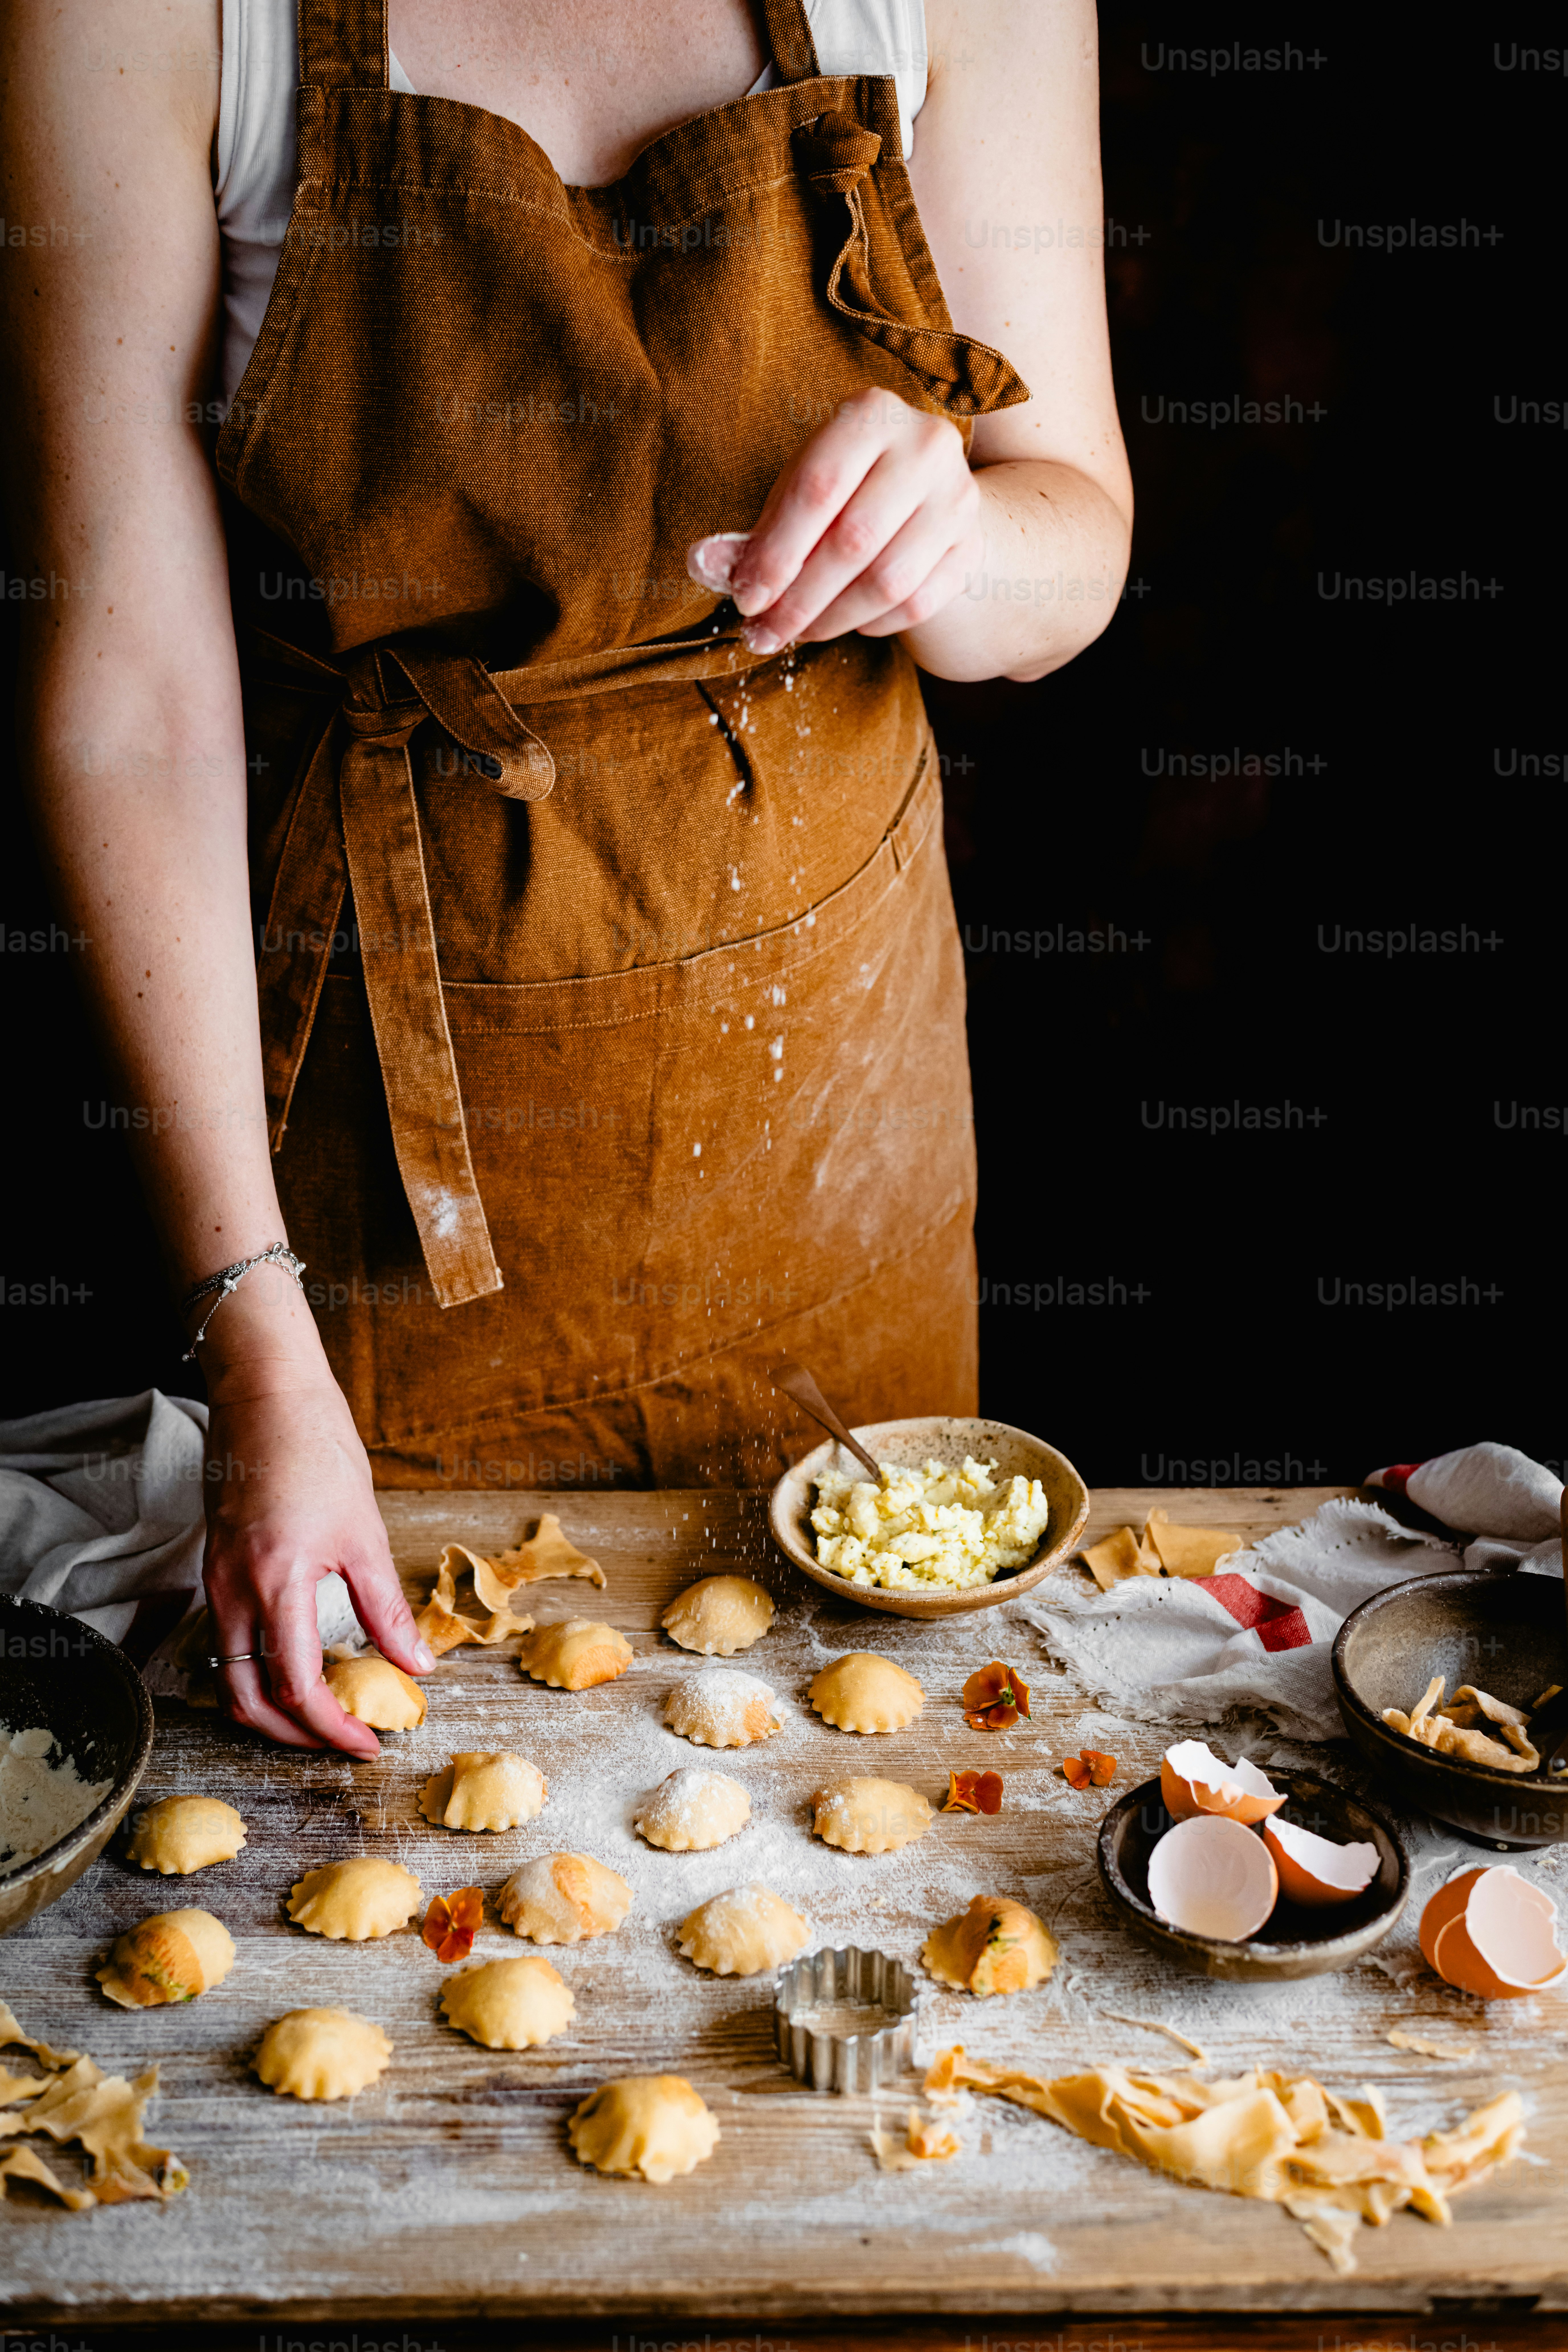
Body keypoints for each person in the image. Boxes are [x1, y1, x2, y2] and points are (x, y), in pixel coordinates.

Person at [1, 0, 1132, 1755]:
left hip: (831, 1117)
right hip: (387, 1176)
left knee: (860, 1760)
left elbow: (1076, 541)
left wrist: (959, 539)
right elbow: (132, 703)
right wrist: (253, 1336)